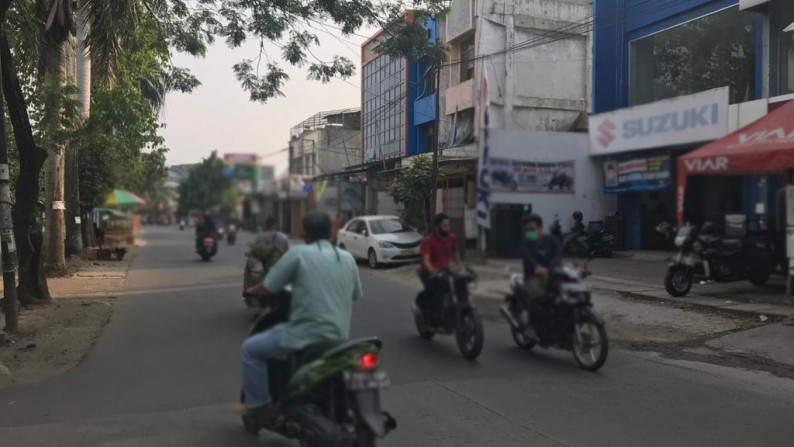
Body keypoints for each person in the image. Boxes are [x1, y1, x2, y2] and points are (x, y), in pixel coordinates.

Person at [236, 211, 363, 422]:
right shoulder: (347, 257)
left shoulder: (298, 254)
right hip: (339, 337)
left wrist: (250, 292)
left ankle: (258, 406)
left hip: (304, 335)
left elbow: (268, 286)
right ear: (329, 231)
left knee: (249, 349)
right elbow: (356, 294)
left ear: (305, 233)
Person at [519, 213, 562, 336]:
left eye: (532, 229)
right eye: (527, 230)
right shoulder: (524, 244)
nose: (529, 232)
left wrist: (549, 269)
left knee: (568, 294)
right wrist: (537, 268)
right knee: (538, 295)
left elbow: (557, 256)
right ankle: (531, 325)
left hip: (552, 275)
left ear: (540, 228)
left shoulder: (552, 241)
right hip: (533, 277)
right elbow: (528, 259)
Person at [416, 213, 462, 310]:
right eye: (445, 226)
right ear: (437, 227)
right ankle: (426, 311)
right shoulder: (428, 240)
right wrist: (432, 270)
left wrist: (458, 265)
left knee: (458, 286)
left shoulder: (452, 237)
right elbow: (426, 260)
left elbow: (456, 251)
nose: (447, 228)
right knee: (436, 292)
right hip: (428, 271)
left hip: (444, 269)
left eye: (449, 225)